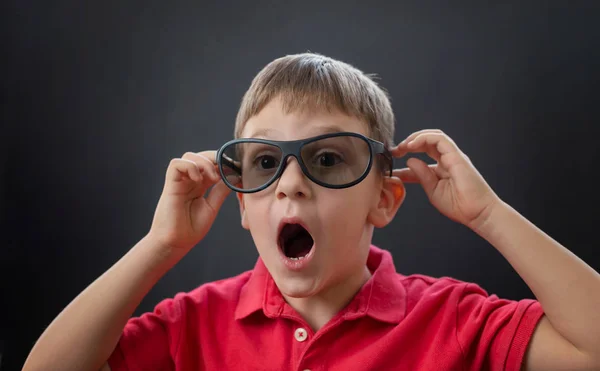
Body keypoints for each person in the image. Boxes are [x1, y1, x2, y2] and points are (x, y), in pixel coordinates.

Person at [23, 53, 600, 371]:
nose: (291, 185)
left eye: (327, 158)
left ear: (384, 198)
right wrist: (160, 247)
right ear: (243, 206)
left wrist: (489, 214)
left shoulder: (455, 322)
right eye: (266, 161)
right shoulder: (190, 328)